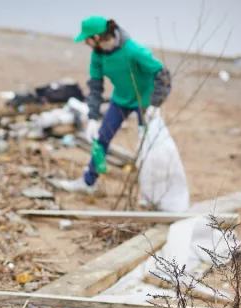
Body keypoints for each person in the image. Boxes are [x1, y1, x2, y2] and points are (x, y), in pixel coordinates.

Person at [58, 15, 172, 194]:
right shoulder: (97, 56)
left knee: (149, 145)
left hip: (144, 103)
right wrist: (93, 117)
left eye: (86, 39)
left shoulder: (133, 50)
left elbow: (163, 74)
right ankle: (89, 183)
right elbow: (95, 88)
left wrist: (155, 104)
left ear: (96, 37)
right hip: (120, 100)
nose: (85, 43)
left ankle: (154, 192)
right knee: (101, 138)